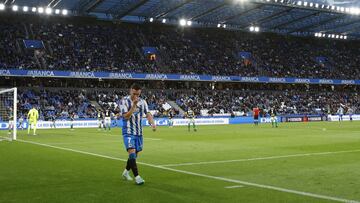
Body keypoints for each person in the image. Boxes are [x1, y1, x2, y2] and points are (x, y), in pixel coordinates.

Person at [120, 83, 156, 185]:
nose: (136, 96)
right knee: (131, 152)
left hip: (139, 132)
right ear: (131, 90)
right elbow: (126, 116)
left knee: (134, 155)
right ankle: (137, 177)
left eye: (138, 94)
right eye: (134, 93)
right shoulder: (124, 101)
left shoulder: (143, 102)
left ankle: (126, 172)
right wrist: (134, 105)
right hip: (128, 132)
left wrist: (152, 123)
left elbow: (148, 113)